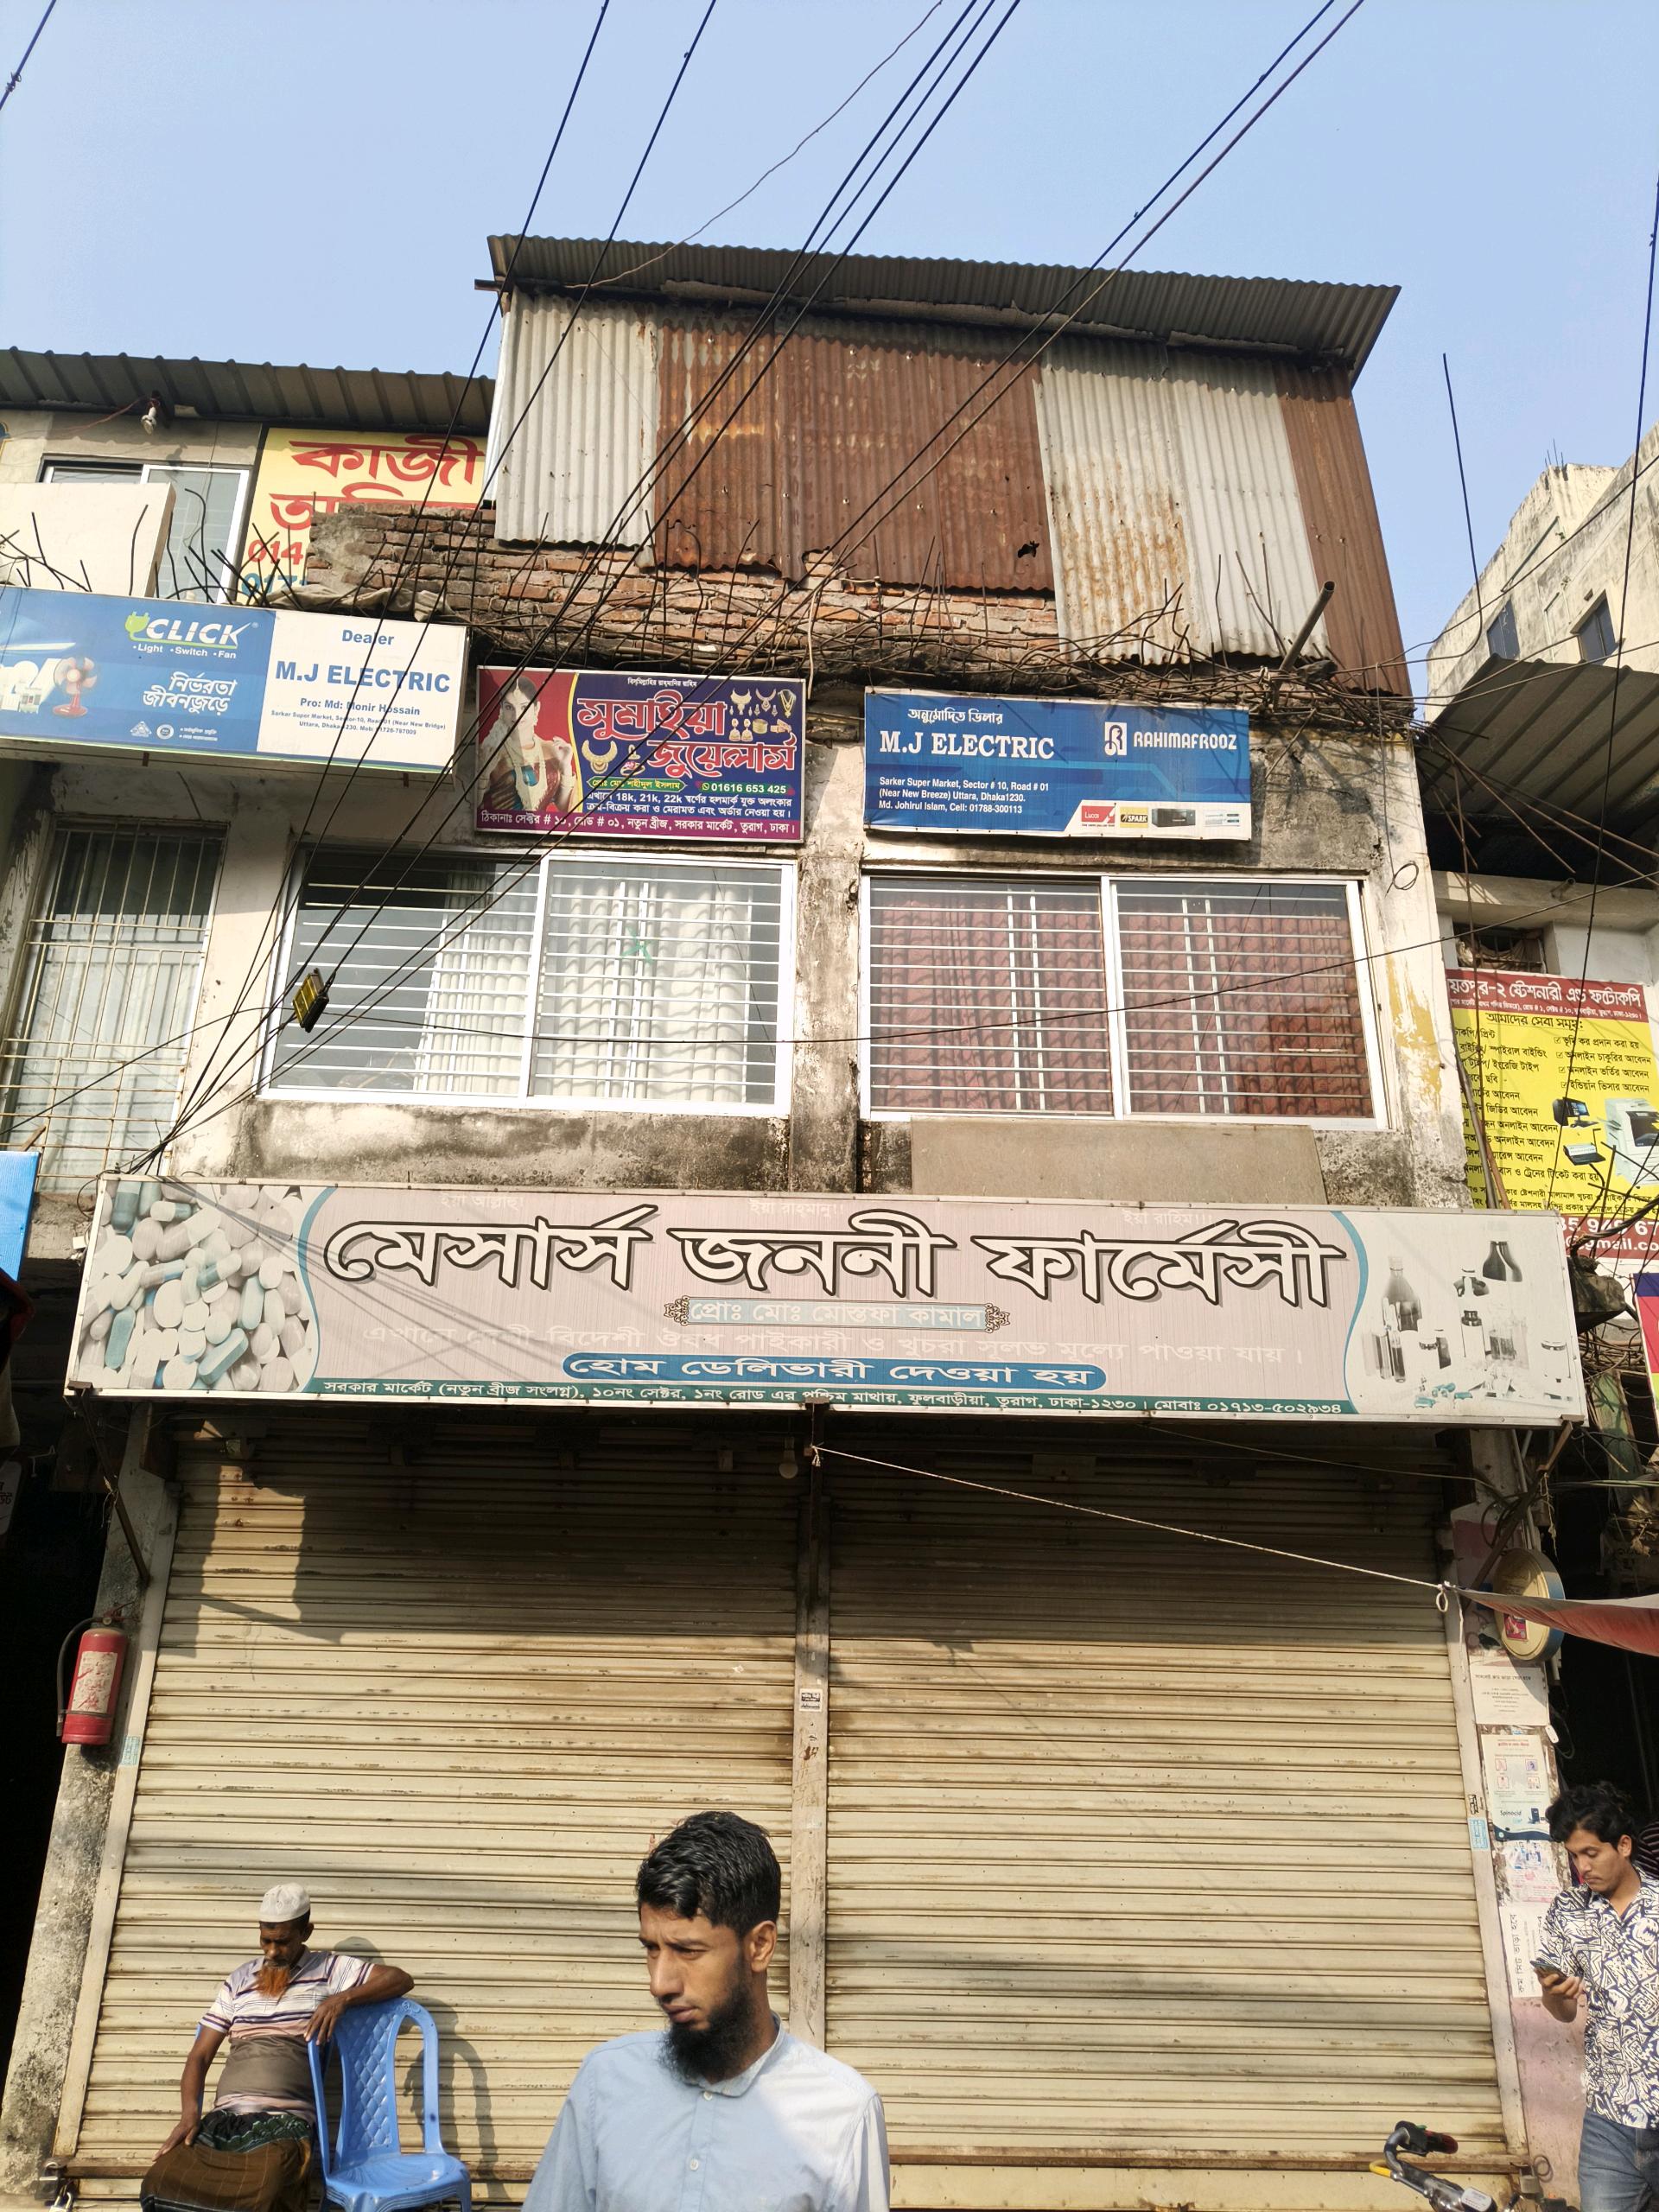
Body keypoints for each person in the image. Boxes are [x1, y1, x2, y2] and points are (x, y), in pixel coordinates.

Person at [525, 1810, 889, 2212]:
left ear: (760, 1946)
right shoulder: (604, 2082)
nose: (659, 1984)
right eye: (651, 1948)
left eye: (687, 1951)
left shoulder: (843, 2114)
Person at [158, 1883, 414, 2155]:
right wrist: (189, 2115)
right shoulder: (239, 1979)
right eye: (265, 1941)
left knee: (265, 2176)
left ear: (306, 1932)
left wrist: (343, 1999)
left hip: (286, 2122)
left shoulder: (329, 1969)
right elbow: (199, 2055)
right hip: (227, 2118)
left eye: (282, 1942)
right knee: (166, 2175)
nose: (271, 1952)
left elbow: (400, 1979)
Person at [1536, 1783, 1659, 2212]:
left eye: (1591, 1853)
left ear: (1623, 1846)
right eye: (1574, 1856)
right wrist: (1555, 1993)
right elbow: (1562, 2011)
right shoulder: (1567, 1911)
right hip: (1609, 2122)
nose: (1582, 1867)